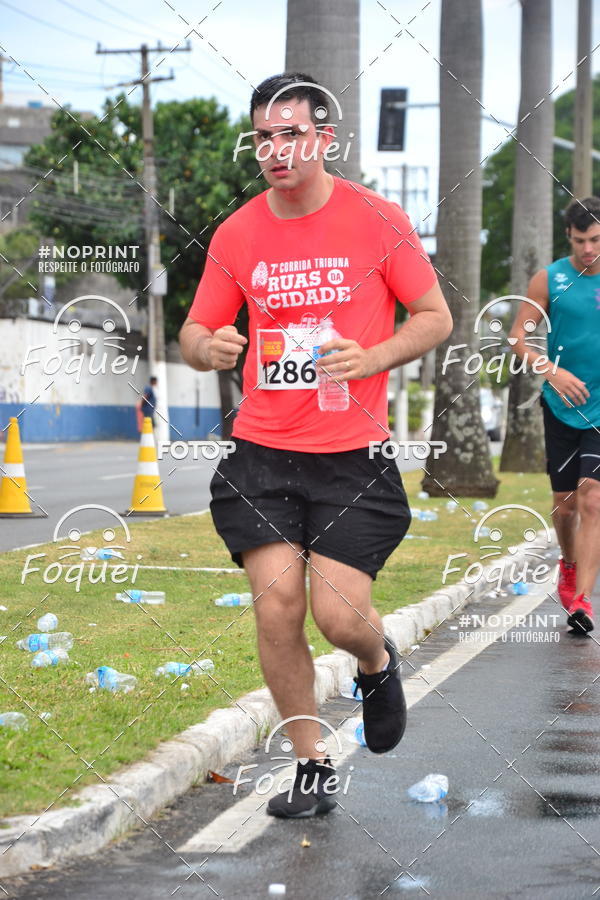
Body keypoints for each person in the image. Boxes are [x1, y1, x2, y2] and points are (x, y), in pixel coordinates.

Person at [180, 73, 452, 818]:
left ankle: (374, 659)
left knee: (339, 617)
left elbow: (434, 317)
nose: (275, 149)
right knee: (276, 610)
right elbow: (195, 331)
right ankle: (311, 764)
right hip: (261, 454)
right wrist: (211, 350)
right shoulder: (238, 233)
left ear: (324, 138)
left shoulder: (376, 219)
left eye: (290, 133)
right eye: (263, 136)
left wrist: (372, 357)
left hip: (351, 455)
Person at [509, 197, 600, 633]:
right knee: (565, 509)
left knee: (593, 499)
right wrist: (554, 371)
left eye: (597, 239)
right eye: (581, 240)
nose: (589, 249)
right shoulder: (550, 278)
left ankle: (581, 601)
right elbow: (519, 340)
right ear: (569, 236)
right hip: (562, 407)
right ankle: (568, 563)